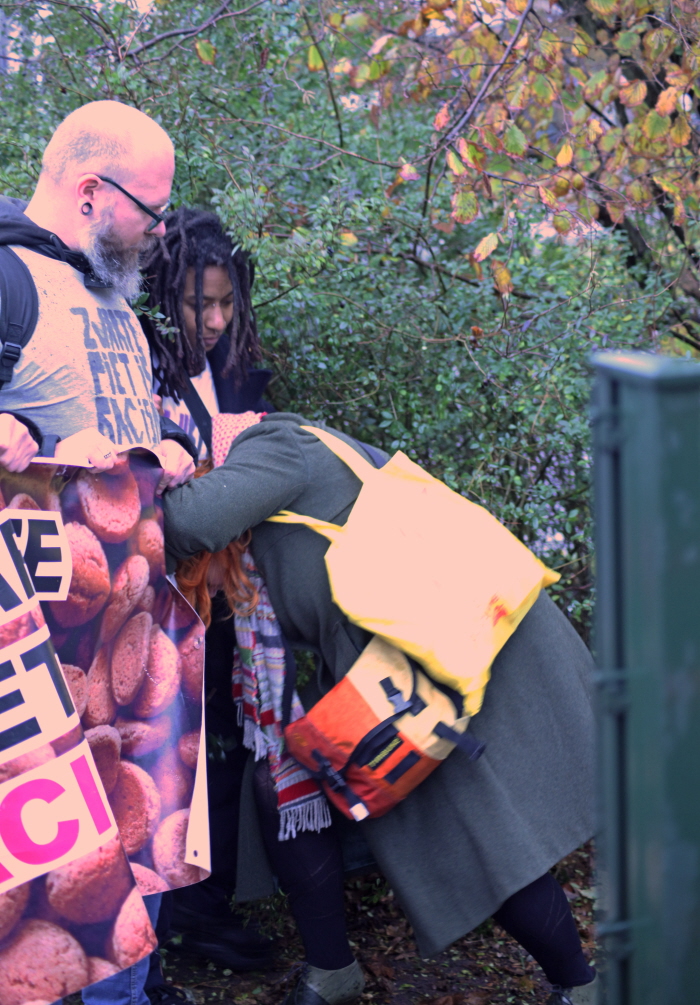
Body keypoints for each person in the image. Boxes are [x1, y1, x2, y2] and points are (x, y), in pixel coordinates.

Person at [162, 412, 599, 1005]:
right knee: (282, 783)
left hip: (440, 657)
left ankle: (584, 986)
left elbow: (187, 520)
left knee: (483, 836)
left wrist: (151, 471)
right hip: (403, 665)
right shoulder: (266, 535)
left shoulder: (276, 443)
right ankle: (332, 971)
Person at [0, 101, 197, 1005]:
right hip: (35, 678)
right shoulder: (9, 277)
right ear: (89, 193)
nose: (159, 231)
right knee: (41, 911)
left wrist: (168, 441)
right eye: (150, 210)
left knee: (129, 899)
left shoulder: (110, 290)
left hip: (130, 669)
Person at [137, 207, 275, 981]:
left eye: (226, 302)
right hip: (162, 594)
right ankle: (173, 920)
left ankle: (204, 902)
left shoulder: (236, 362)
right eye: (199, 304)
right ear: (167, 295)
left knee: (221, 742)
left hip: (227, 596)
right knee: (165, 753)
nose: (216, 319)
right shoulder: (139, 362)